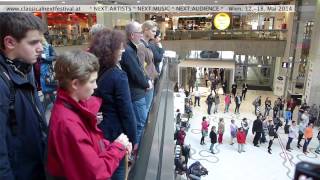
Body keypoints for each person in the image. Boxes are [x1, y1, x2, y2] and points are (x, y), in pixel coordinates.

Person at [47, 50, 132, 180]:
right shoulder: (68, 122)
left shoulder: (74, 109)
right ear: (75, 84)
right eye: (92, 81)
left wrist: (113, 146)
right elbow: (94, 173)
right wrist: (118, 147)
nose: (96, 86)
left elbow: (91, 145)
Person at [0, 13, 48, 179]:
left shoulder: (24, 68)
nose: (41, 48)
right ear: (10, 42)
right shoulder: (3, 81)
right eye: (33, 42)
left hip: (35, 166)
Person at [89, 29, 137, 180]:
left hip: (98, 131)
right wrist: (133, 139)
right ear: (111, 51)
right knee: (117, 171)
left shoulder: (93, 71)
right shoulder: (118, 76)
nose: (123, 50)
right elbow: (127, 112)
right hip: (116, 134)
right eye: (120, 47)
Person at [120, 21, 152, 145]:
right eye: (139, 33)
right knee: (140, 124)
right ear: (132, 35)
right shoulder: (128, 51)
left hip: (137, 92)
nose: (141, 35)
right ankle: (136, 152)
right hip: (135, 94)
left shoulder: (131, 48)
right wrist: (146, 83)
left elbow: (138, 69)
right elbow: (136, 73)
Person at [39, 35, 57, 112]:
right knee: (47, 90)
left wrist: (45, 57)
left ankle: (43, 110)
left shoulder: (48, 47)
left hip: (47, 71)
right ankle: (56, 107)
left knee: (48, 89)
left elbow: (55, 56)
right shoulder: (37, 49)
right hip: (40, 71)